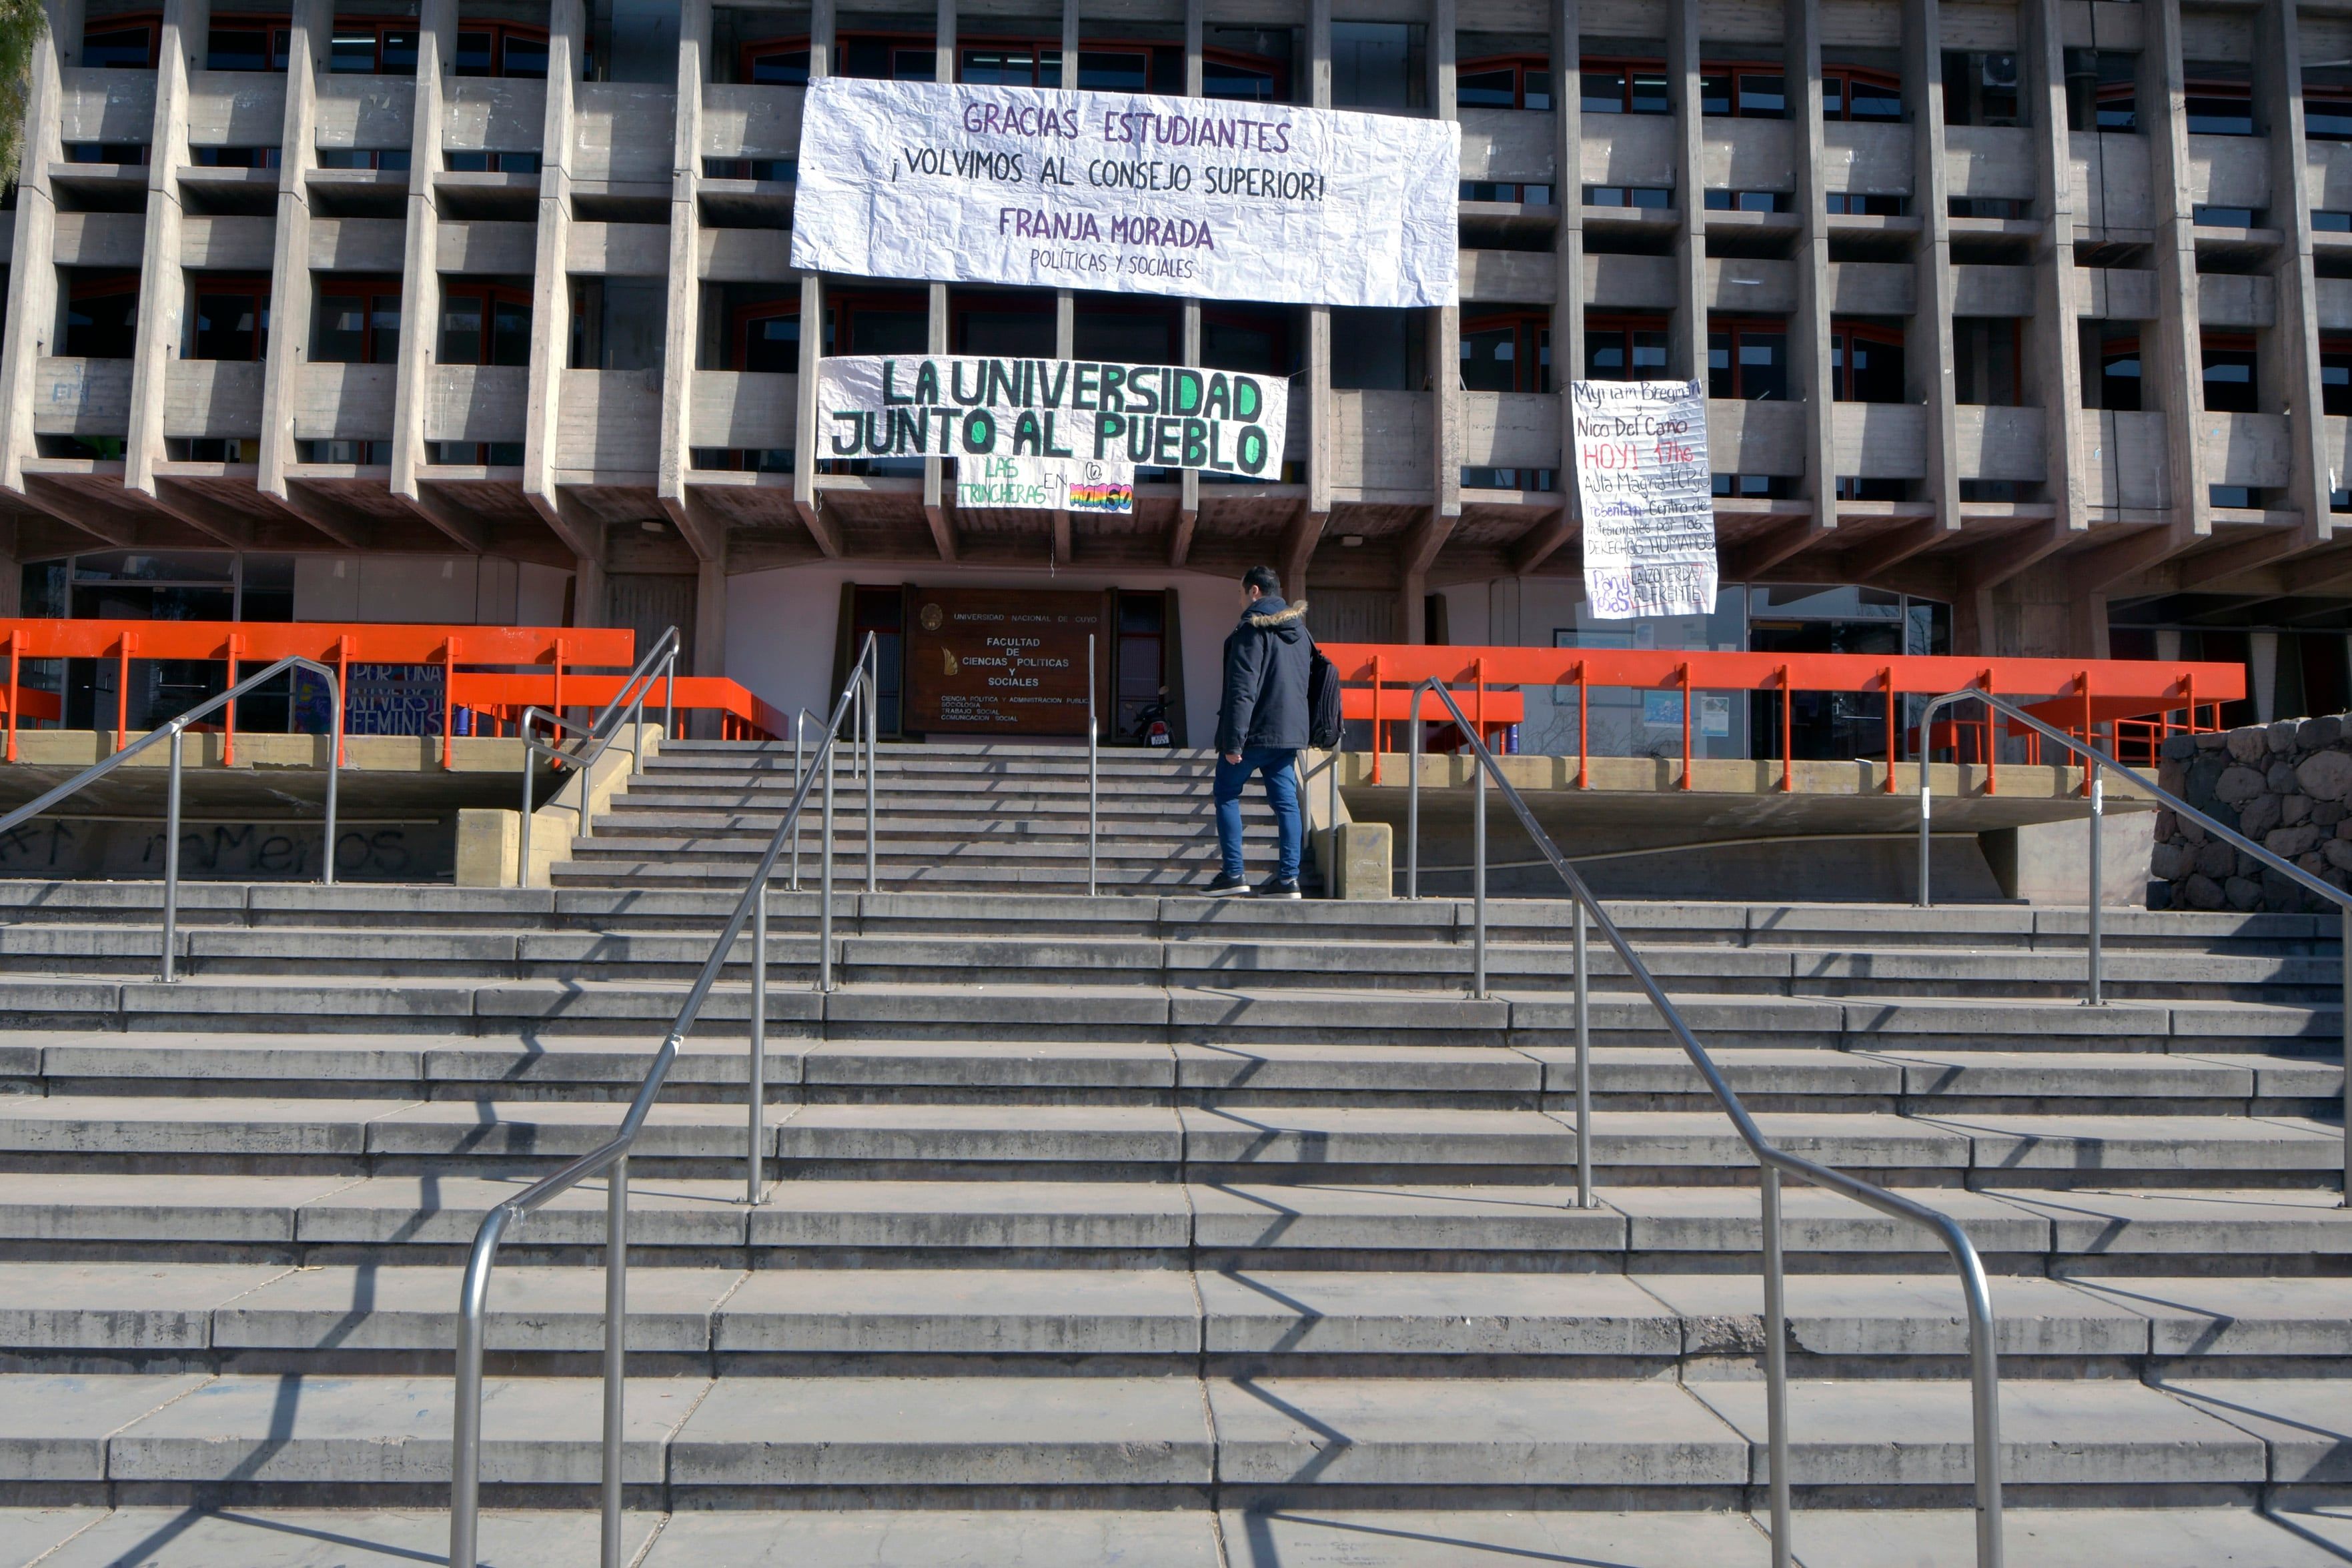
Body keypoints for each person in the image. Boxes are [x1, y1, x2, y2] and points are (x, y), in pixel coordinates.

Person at [1205, 565, 1311, 898]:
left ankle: (1234, 874)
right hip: (1289, 734)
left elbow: (1243, 688)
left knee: (1226, 793)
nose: (1240, 601)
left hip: (1254, 733)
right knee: (1287, 805)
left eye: (1241, 593)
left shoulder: (1252, 628)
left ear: (1254, 591)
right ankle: (1289, 879)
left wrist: (1234, 740)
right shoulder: (1302, 633)